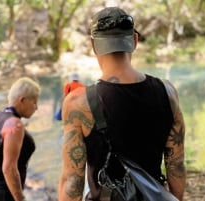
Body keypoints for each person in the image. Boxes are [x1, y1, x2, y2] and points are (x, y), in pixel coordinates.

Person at [58, 7, 186, 201]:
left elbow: (72, 181)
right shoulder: (167, 92)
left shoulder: (78, 103)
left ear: (94, 46)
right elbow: (175, 166)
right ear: (134, 41)